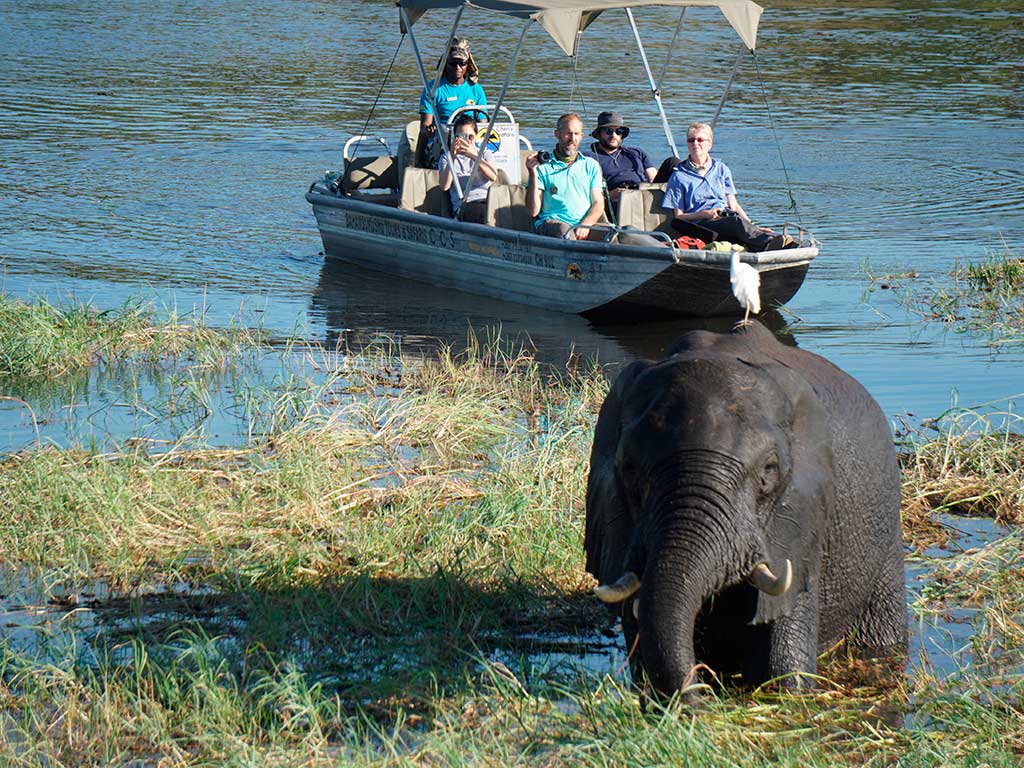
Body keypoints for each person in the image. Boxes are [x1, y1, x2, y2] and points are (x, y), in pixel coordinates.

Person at [662, 122, 789, 252]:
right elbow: (678, 216)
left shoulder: (721, 169)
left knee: (741, 222)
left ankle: (783, 241)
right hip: (701, 224)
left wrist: (753, 226)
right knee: (736, 223)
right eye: (691, 140)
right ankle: (767, 244)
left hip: (726, 217)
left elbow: (734, 205)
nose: (695, 143)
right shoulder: (679, 176)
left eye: (700, 140)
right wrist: (704, 214)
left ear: (709, 144)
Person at [527, 113, 605, 240]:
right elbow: (533, 211)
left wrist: (586, 224)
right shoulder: (542, 167)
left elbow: (598, 203)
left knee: (620, 233)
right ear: (557, 134)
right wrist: (532, 173)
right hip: (553, 225)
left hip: (584, 225)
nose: (572, 138)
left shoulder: (591, 165)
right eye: (568, 133)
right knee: (565, 232)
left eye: (576, 134)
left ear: (581, 136)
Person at [417, 37, 487, 167]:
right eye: (453, 63)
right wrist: (429, 129)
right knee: (443, 130)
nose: (457, 67)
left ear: (468, 64)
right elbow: (424, 125)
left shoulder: (476, 90)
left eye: (462, 63)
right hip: (443, 143)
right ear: (446, 63)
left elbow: (483, 125)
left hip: (469, 141)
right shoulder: (433, 89)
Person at [583, 111, 657, 206]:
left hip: (644, 194)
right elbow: (584, 193)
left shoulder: (636, 153)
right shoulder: (588, 158)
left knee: (672, 162)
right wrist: (609, 196)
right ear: (599, 134)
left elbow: (655, 181)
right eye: (608, 131)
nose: (613, 135)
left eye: (618, 131)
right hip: (618, 201)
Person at [438, 113, 497, 224]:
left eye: (471, 137)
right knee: (483, 213)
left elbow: (493, 176)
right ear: (455, 137)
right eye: (462, 136)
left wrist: (474, 156)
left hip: (488, 200)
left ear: (476, 137)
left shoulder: (485, 154)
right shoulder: (447, 158)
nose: (467, 141)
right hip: (466, 205)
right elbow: (444, 186)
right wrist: (453, 156)